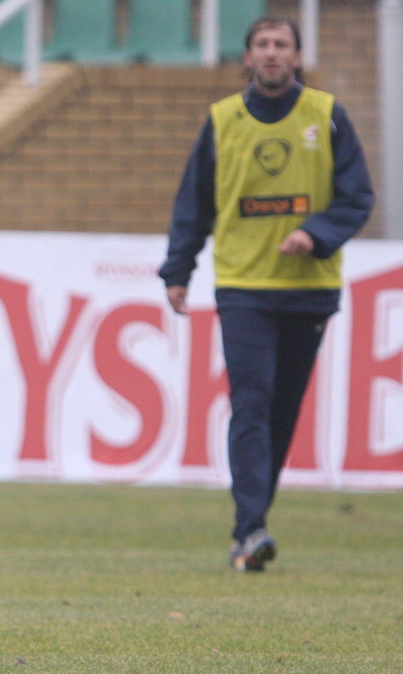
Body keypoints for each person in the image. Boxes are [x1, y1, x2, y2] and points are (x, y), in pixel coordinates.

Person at [158, 15, 374, 572]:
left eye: (282, 45)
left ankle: (249, 530)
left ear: (298, 57)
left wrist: (315, 234)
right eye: (262, 45)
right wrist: (178, 270)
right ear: (248, 58)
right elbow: (194, 205)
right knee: (250, 403)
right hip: (244, 287)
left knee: (280, 413)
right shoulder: (223, 121)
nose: (272, 53)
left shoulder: (326, 117)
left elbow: (357, 196)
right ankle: (251, 529)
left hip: (309, 290)